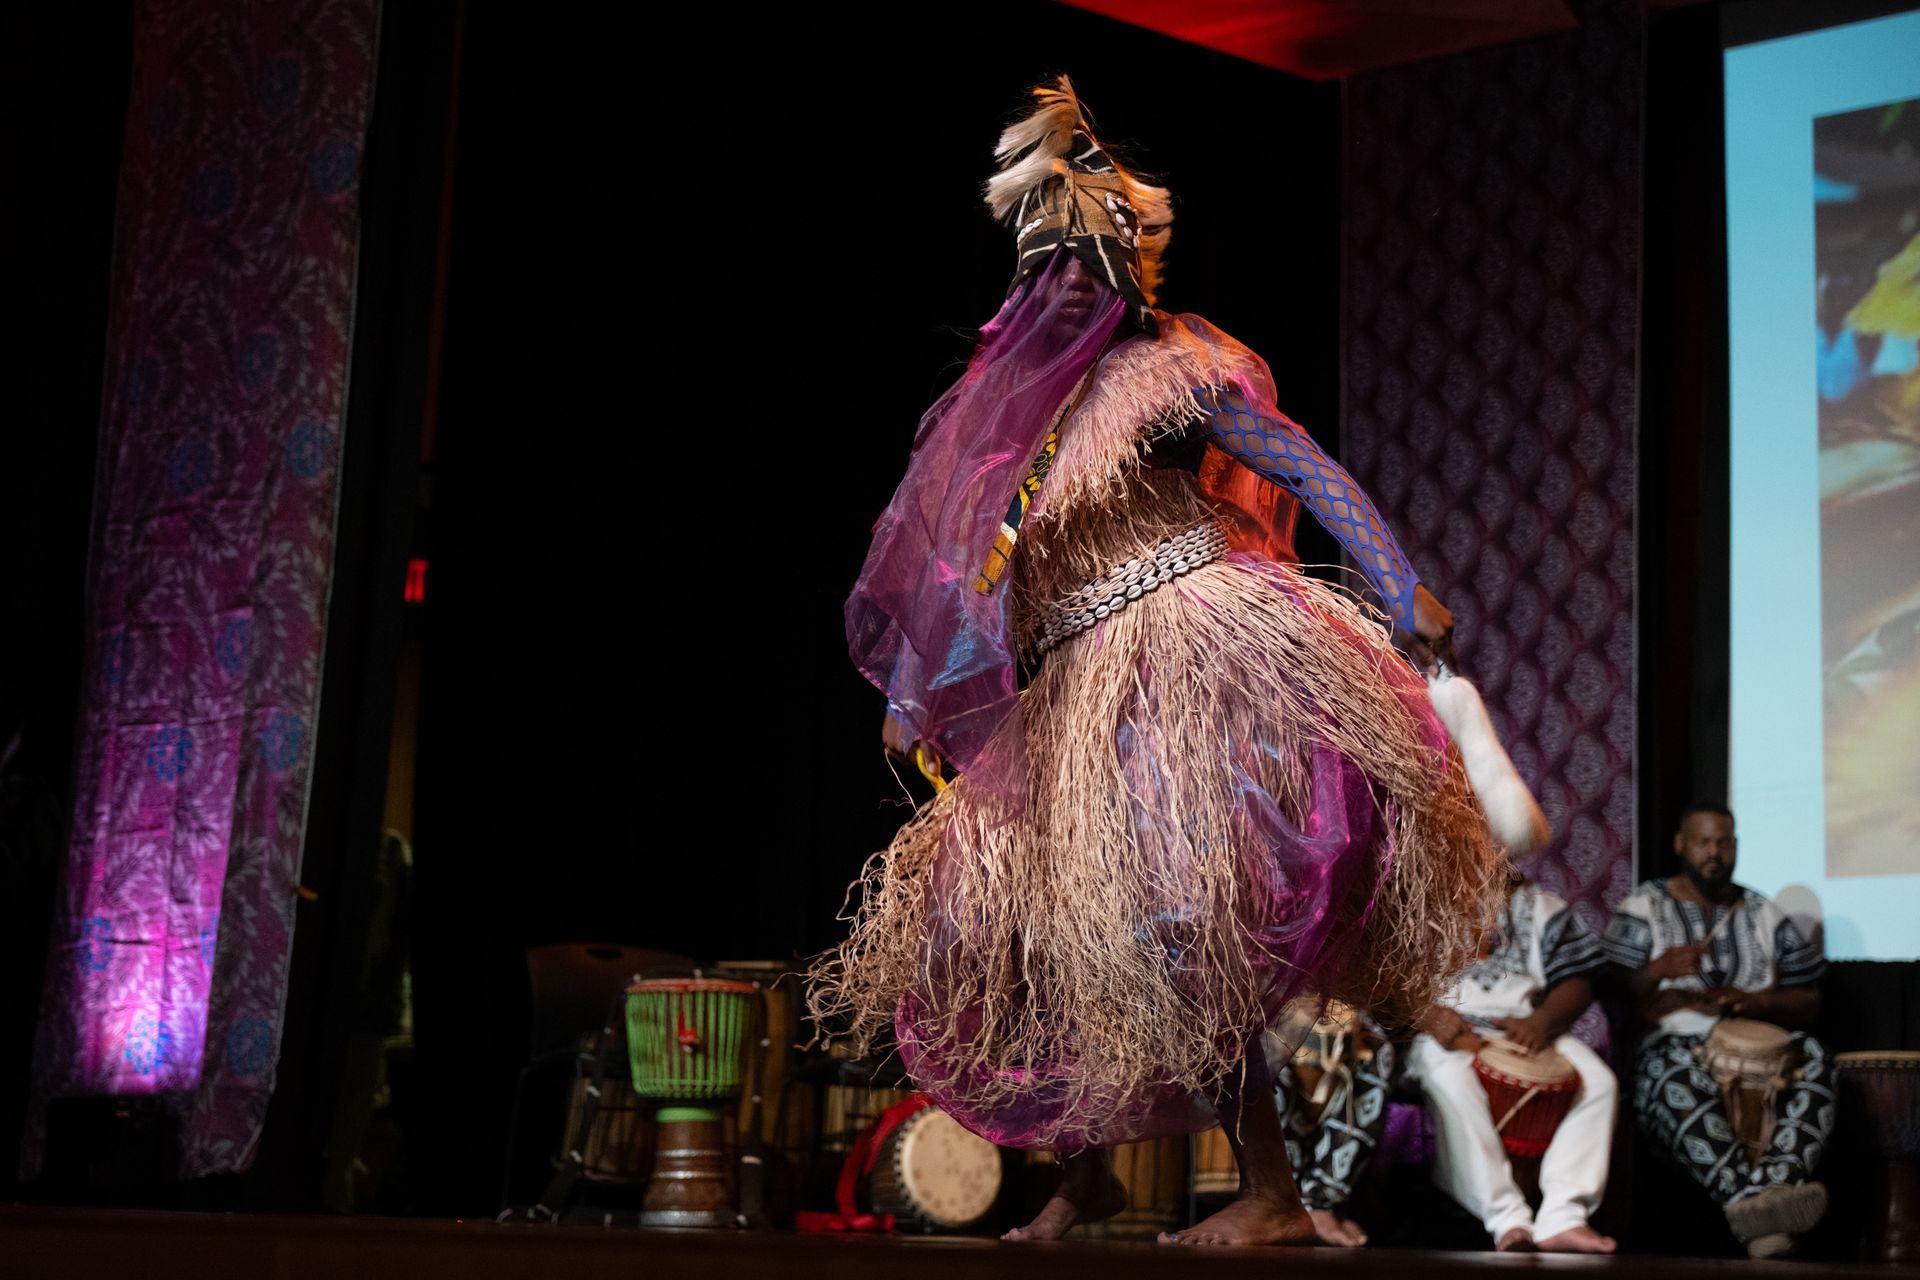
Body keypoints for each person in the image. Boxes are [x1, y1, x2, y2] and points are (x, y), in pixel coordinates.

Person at [809, 77, 1501, 1247]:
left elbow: (1299, 460)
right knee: (1018, 928)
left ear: (1125, 278)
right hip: (1079, 685)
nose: (1071, 292)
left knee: (1185, 922)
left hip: (1194, 652)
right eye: (1055, 275)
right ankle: (1089, 1176)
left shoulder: (1168, 371)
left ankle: (1273, 1187)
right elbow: (967, 572)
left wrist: (1397, 580)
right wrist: (915, 693)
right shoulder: (996, 417)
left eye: (1092, 273)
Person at [1603, 804, 1833, 1259]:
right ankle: (1753, 1204)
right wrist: (1657, 970)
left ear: (1736, 847)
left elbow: (1809, 998)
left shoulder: (1763, 911)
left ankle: (1768, 1191)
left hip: (1753, 1043)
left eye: (1724, 843)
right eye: (1703, 842)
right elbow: (1609, 992)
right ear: (1680, 845)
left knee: (1816, 1057)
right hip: (1672, 1045)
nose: (1714, 852)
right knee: (1670, 1072)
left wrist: (1756, 1001)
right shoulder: (1644, 906)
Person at [1403, 871, 1616, 1253]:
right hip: (1446, 1028)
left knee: (1599, 1082)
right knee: (1451, 1080)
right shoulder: (1420, 893)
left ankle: (1563, 1216)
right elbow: (1381, 974)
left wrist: (1543, 1021)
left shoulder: (1542, 905)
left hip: (1525, 1028)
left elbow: (1579, 978)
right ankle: (1507, 1219)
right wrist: (1425, 1014)